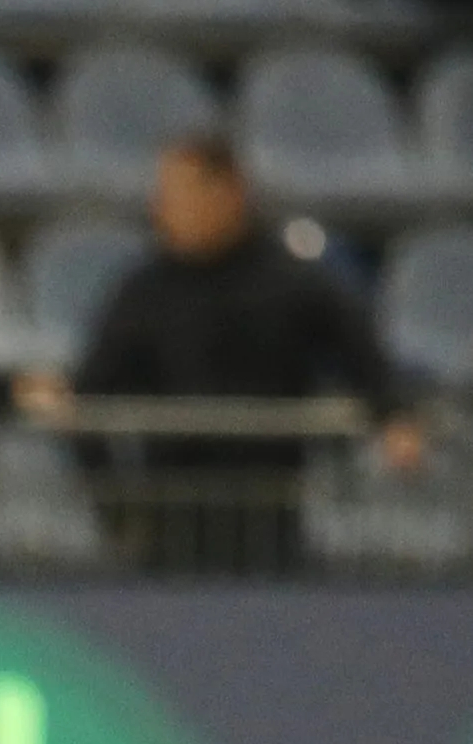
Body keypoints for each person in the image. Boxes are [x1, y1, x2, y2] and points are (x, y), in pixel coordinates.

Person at [62, 134, 420, 572]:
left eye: (180, 193)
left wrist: (395, 417)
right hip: (171, 523)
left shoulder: (292, 284)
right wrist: (119, 513)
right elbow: (87, 399)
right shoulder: (143, 293)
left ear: (230, 193)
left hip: (272, 516)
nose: (162, 208)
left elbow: (364, 359)